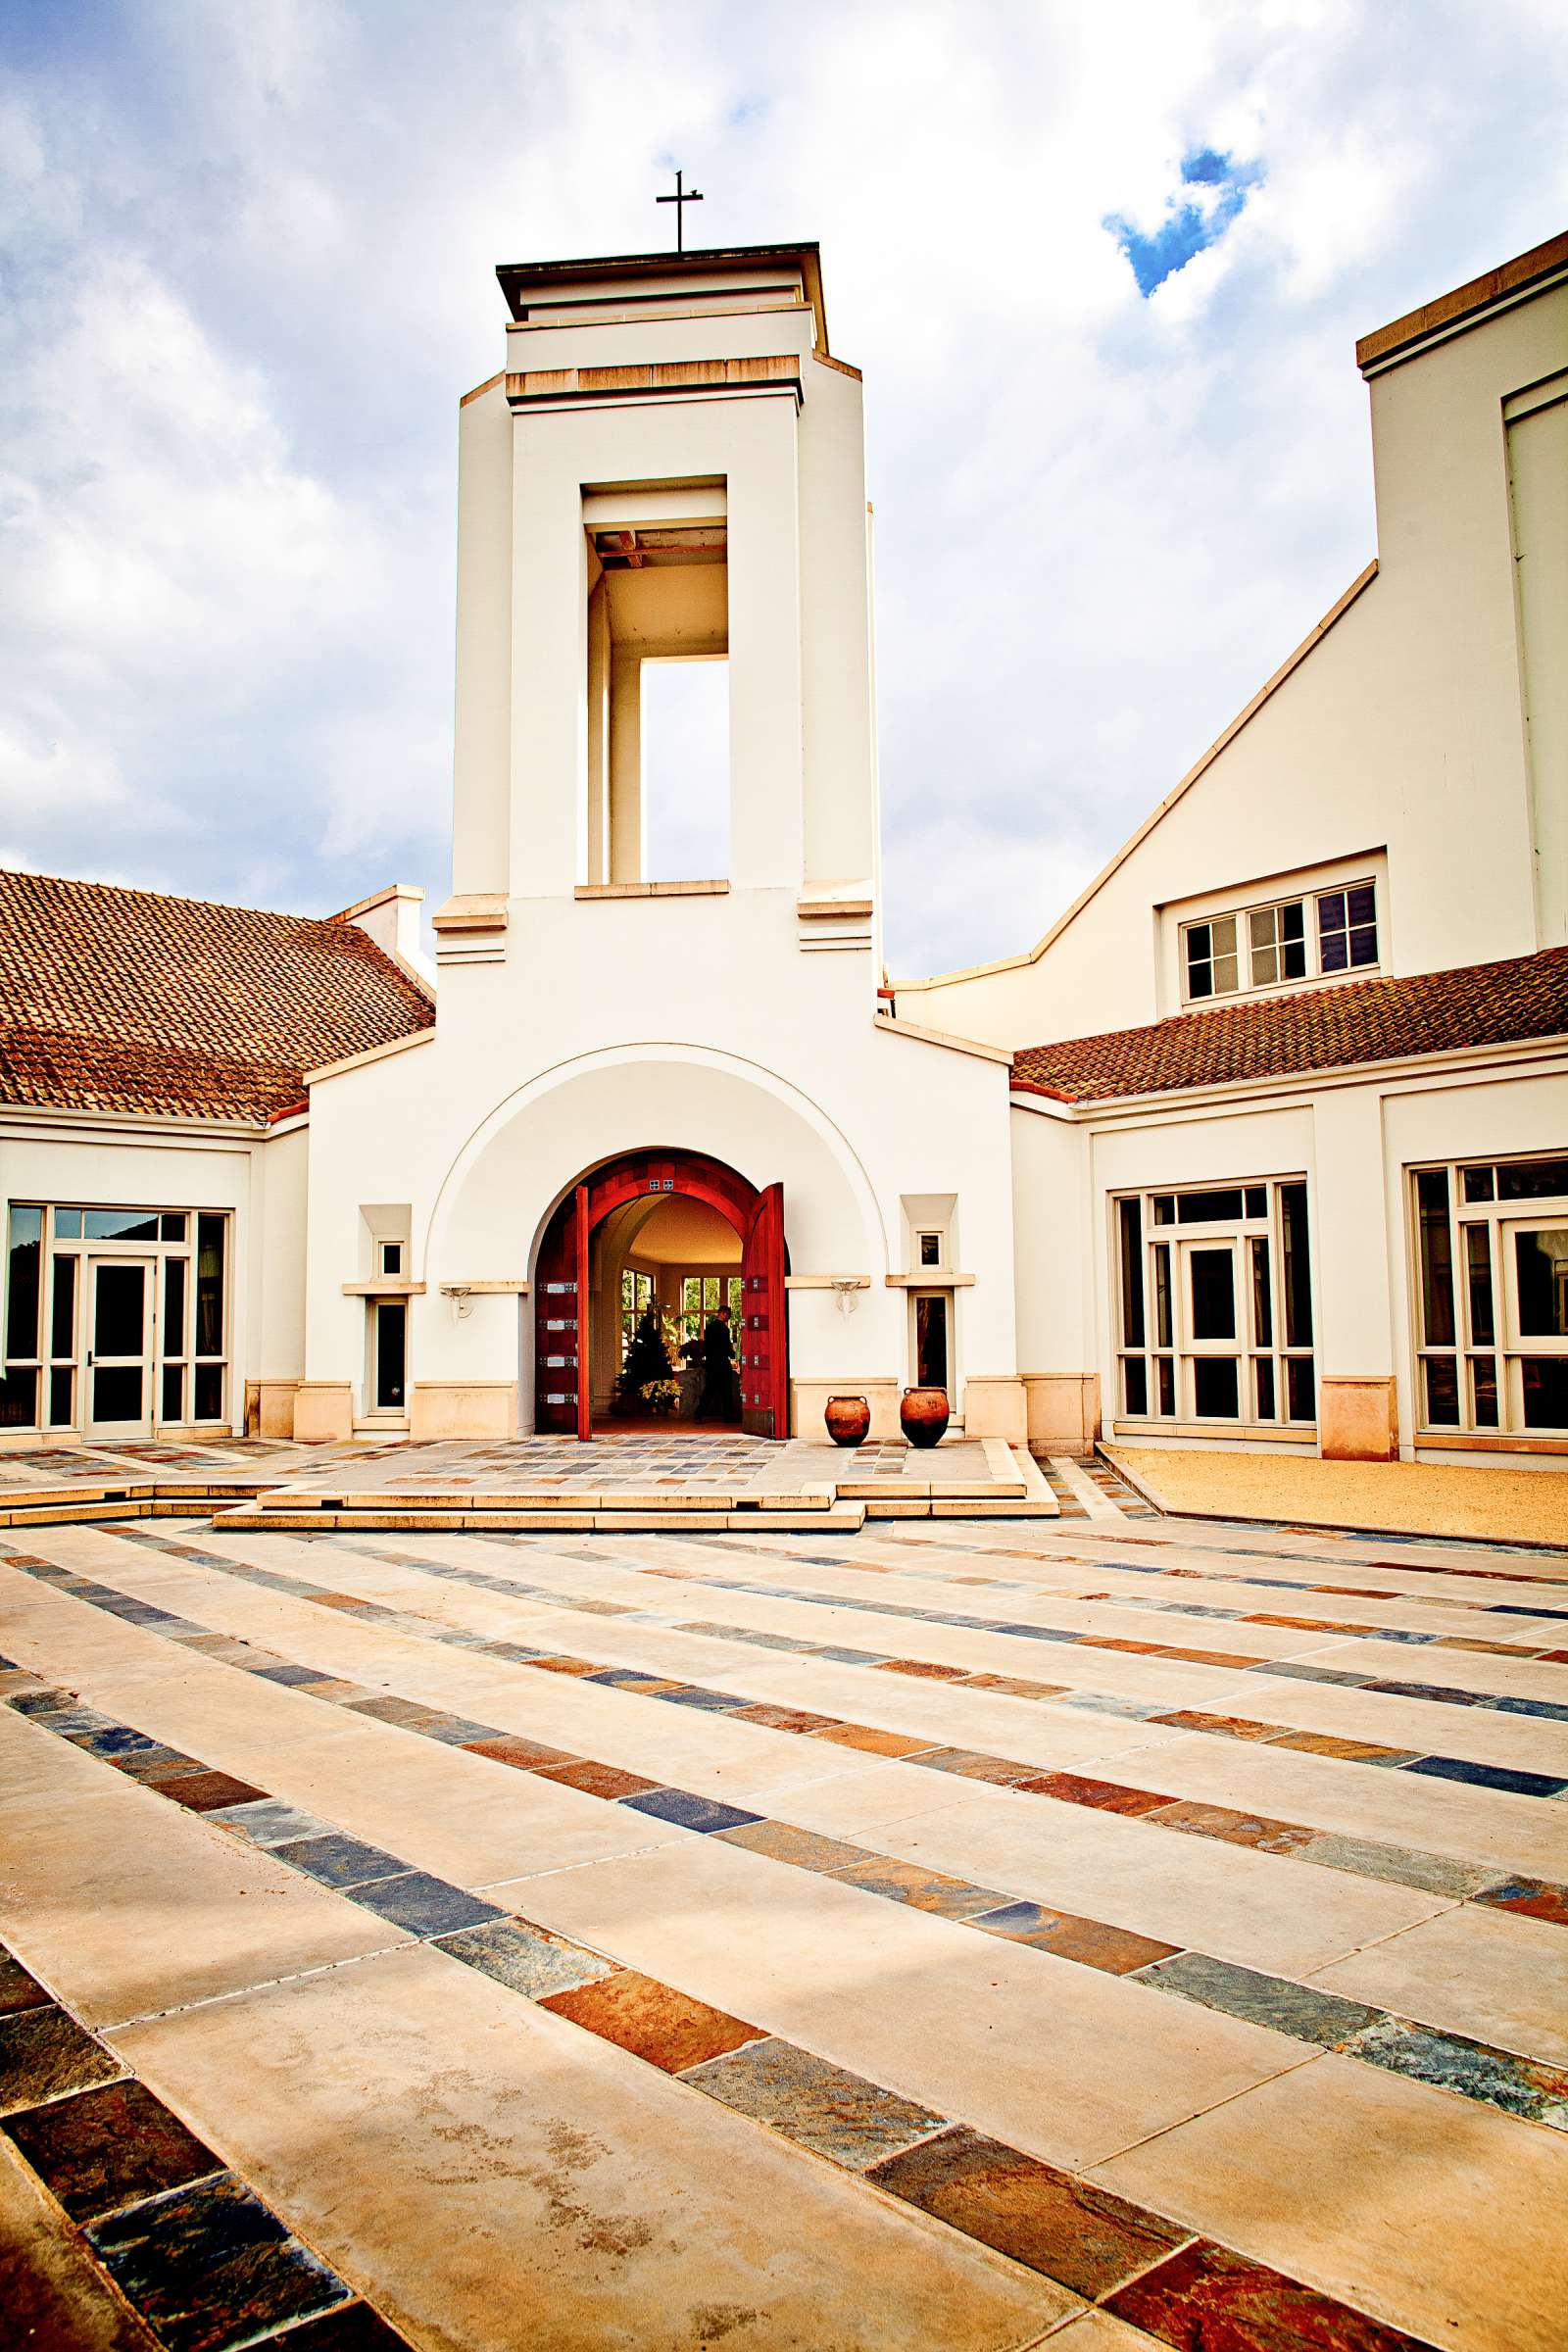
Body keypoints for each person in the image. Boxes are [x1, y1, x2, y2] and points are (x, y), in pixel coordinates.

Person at [696, 1304, 739, 1422]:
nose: (728, 1318)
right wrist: (735, 1355)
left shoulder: (709, 1328)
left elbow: (706, 1346)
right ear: (723, 1314)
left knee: (709, 1389)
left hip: (711, 1362)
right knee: (726, 1391)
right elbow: (726, 1347)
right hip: (722, 1363)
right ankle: (728, 1416)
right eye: (728, 1316)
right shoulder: (724, 1329)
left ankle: (699, 1414)